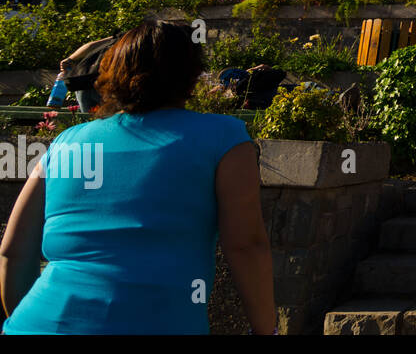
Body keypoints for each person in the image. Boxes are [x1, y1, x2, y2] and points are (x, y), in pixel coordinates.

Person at [0, 20, 275, 334]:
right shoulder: (224, 136)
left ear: (111, 73)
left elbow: (14, 251)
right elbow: (246, 246)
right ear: (191, 77)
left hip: (37, 323)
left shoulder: (66, 142)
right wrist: (267, 331)